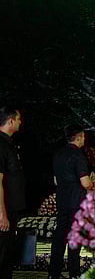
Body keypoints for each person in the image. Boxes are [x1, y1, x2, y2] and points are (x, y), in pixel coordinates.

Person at [49, 125, 95, 279]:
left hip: (62, 200)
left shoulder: (58, 154)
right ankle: (74, 273)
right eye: (83, 136)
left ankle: (53, 273)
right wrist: (92, 185)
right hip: (76, 202)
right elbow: (85, 182)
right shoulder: (78, 156)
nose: (84, 139)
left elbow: (56, 180)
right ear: (78, 137)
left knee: (60, 237)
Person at [0, 107, 24, 279]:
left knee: (7, 252)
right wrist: (2, 214)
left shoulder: (8, 143)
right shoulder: (1, 145)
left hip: (10, 209)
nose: (20, 122)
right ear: (10, 121)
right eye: (18, 119)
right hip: (4, 211)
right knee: (2, 253)